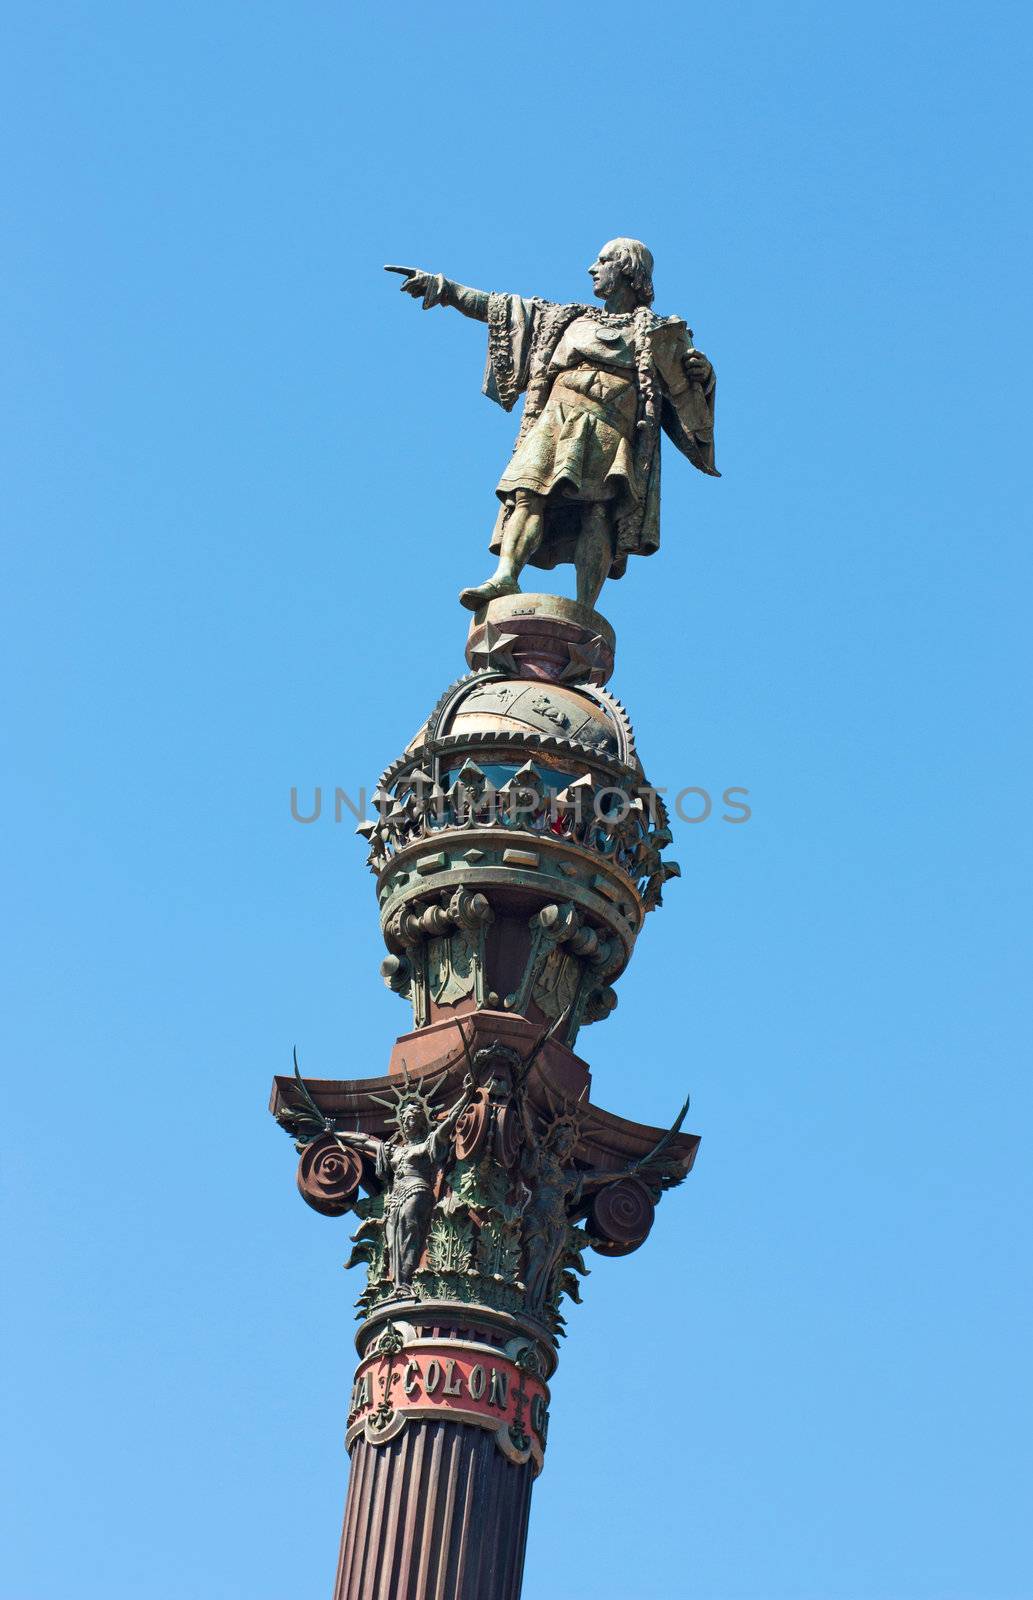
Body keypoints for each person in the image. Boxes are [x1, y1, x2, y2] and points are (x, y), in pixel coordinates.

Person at [389, 239, 718, 611]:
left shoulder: (661, 334)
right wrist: (443, 288)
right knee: (526, 493)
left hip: (610, 427)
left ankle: (583, 607)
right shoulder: (569, 319)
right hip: (555, 420)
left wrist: (703, 377)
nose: (592, 268)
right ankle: (504, 577)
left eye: (603, 260)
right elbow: (503, 309)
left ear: (627, 269)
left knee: (597, 512)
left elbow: (688, 396)